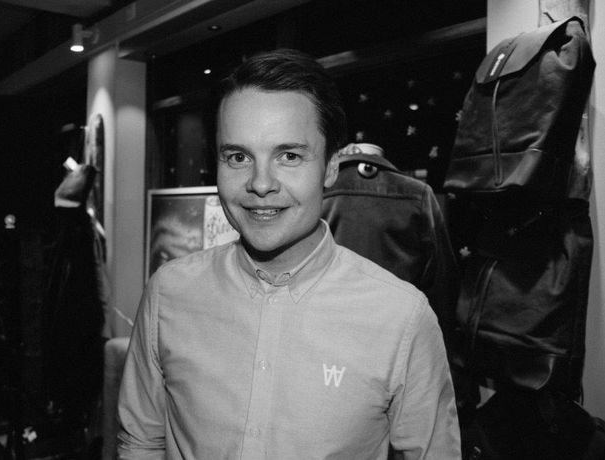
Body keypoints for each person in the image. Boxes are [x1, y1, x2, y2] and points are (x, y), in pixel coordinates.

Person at [117, 48, 461, 459]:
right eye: (238, 157)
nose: (261, 183)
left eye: (289, 156)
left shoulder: (401, 318)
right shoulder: (168, 293)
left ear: (330, 167)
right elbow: (141, 441)